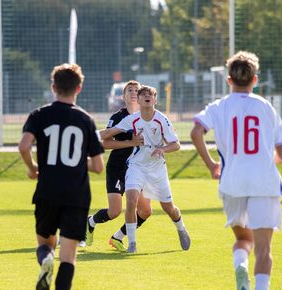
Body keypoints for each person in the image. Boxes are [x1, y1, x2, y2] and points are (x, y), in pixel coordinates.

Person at [190, 51, 282, 290]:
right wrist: (264, 162)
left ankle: (240, 265)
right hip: (265, 183)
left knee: (244, 239)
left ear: (229, 80)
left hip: (232, 181)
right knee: (264, 249)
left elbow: (195, 133)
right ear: (255, 80)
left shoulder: (219, 106)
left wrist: (211, 164)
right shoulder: (266, 107)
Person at [19, 63, 104, 290]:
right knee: (68, 257)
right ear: (79, 88)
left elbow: (24, 146)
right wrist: (77, 161)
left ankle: (46, 260)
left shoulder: (39, 115)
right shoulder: (86, 120)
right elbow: (98, 166)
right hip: (77, 195)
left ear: (53, 86)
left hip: (47, 190)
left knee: (45, 244)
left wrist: (32, 167)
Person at [100, 85, 191, 253]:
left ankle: (181, 228)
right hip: (137, 165)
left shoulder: (162, 119)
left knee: (168, 208)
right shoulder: (132, 119)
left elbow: (176, 144)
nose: (147, 96)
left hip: (157, 168)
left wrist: (162, 149)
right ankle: (132, 244)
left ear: (155, 100)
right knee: (131, 200)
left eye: (151, 94)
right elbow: (108, 133)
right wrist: (91, 135)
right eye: (143, 94)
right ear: (139, 100)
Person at [85, 80, 152, 251]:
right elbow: (104, 143)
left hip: (139, 169)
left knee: (145, 211)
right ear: (123, 96)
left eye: (136, 90)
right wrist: (131, 142)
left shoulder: (149, 116)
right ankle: (90, 222)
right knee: (114, 211)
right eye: (129, 90)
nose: (133, 92)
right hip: (118, 168)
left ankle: (118, 237)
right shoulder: (117, 118)